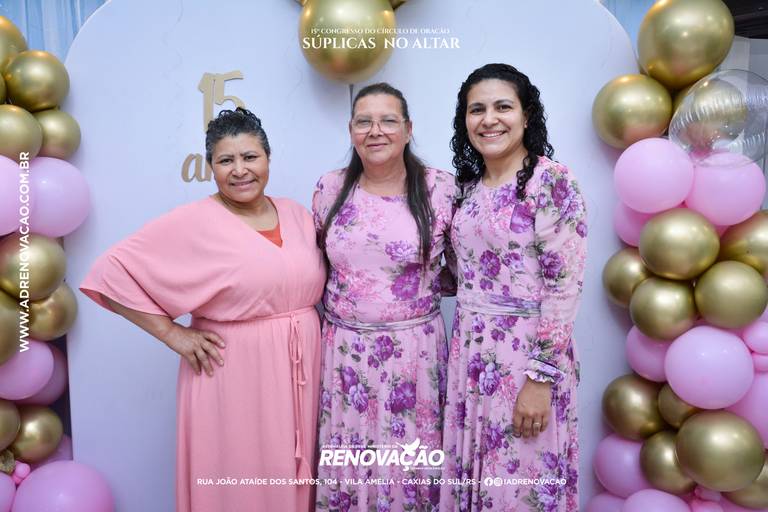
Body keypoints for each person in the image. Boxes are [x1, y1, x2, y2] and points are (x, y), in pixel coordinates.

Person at [80, 108, 325, 512]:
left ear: (268, 158)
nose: (240, 170)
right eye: (226, 160)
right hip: (233, 372)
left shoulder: (297, 213)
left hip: (301, 369)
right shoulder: (195, 221)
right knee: (240, 473)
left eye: (250, 157)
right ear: (211, 167)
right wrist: (171, 333)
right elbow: (111, 272)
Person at [440, 64, 587, 511]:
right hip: (470, 356)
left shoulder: (551, 181)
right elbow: (458, 275)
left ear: (526, 116)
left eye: (503, 107)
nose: (489, 119)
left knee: (521, 484)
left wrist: (539, 380)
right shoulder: (465, 190)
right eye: (476, 110)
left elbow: (564, 287)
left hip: (526, 360)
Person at [312, 82, 455, 511]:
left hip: (415, 353)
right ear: (351, 130)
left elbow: (462, 269)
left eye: (388, 120)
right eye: (364, 121)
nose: (376, 131)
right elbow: (316, 266)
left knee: (410, 468)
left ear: (408, 129)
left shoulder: (440, 188)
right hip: (346, 354)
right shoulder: (329, 188)